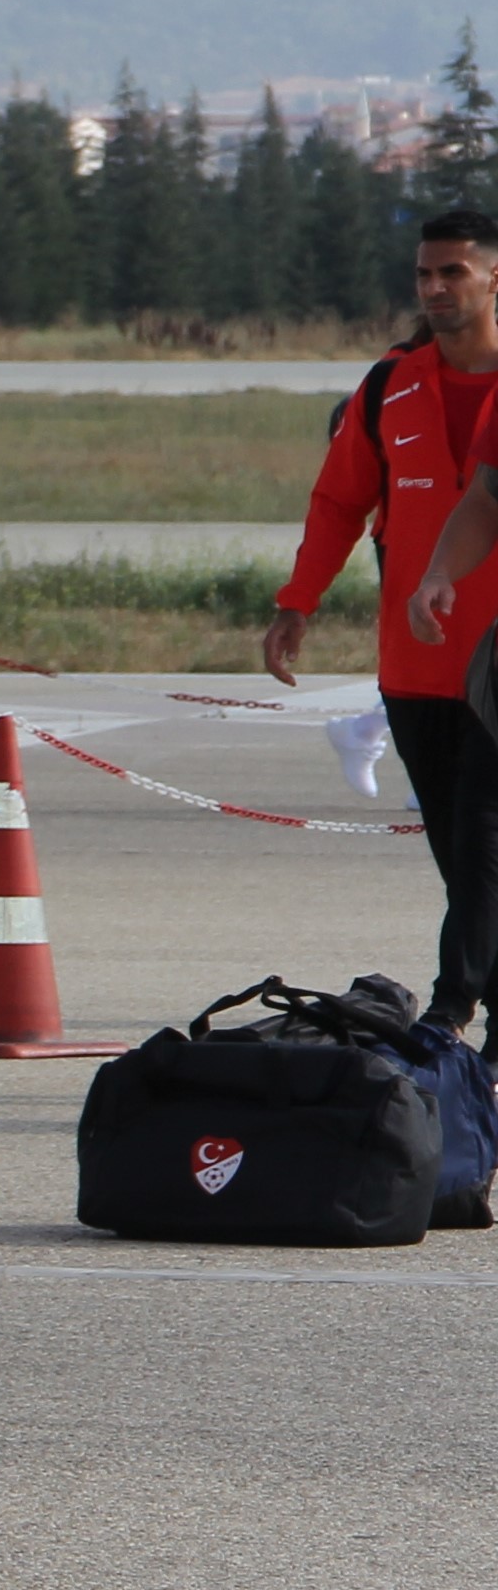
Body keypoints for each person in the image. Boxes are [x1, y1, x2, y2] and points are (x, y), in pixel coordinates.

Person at [335, 211, 498, 1031]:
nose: (435, 289)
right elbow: (482, 498)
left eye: (453, 274)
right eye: (425, 276)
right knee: (464, 854)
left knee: (481, 837)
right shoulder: (390, 385)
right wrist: (436, 573)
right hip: (422, 662)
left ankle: (450, 1005)